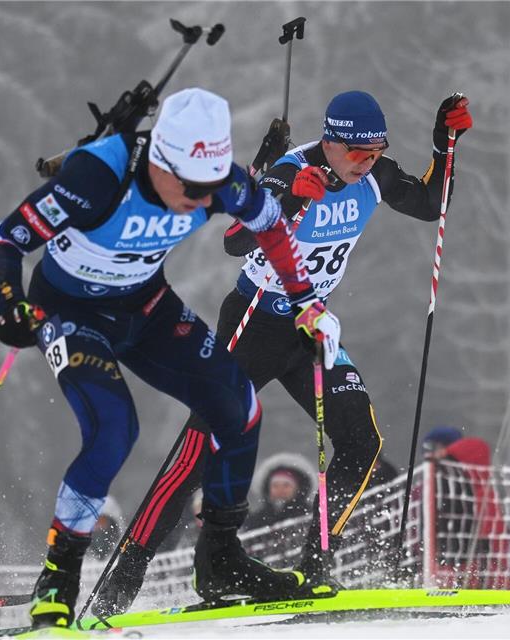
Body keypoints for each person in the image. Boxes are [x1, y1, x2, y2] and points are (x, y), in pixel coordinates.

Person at [91, 90, 472, 617]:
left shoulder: (375, 175)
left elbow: (432, 205)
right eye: (359, 154)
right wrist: (290, 200)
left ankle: (315, 563)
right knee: (202, 445)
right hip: (255, 323)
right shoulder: (289, 170)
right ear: (331, 143)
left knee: (361, 440)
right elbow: (235, 241)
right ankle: (126, 572)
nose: (369, 164)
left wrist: (444, 141)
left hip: (312, 327)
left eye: (378, 152)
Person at [0, 87, 342, 628]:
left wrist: (306, 303)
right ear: (159, 161)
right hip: (70, 311)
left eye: (210, 187)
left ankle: (220, 559)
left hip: (144, 307)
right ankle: (57, 580)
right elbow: (4, 241)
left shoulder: (219, 182)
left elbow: (271, 227)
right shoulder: (96, 176)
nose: (202, 200)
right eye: (191, 188)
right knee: (114, 430)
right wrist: (10, 307)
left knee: (239, 406)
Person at [422, 426, 510, 589]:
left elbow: (477, 446)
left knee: (485, 564)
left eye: (435, 448)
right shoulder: (445, 473)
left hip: (480, 526)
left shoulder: (464, 461)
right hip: (464, 532)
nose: (430, 455)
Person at [243, 453, 317, 531]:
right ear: (268, 489)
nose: (280, 490)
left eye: (286, 485)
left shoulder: (309, 515)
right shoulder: (256, 520)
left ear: (298, 489)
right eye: (275, 485)